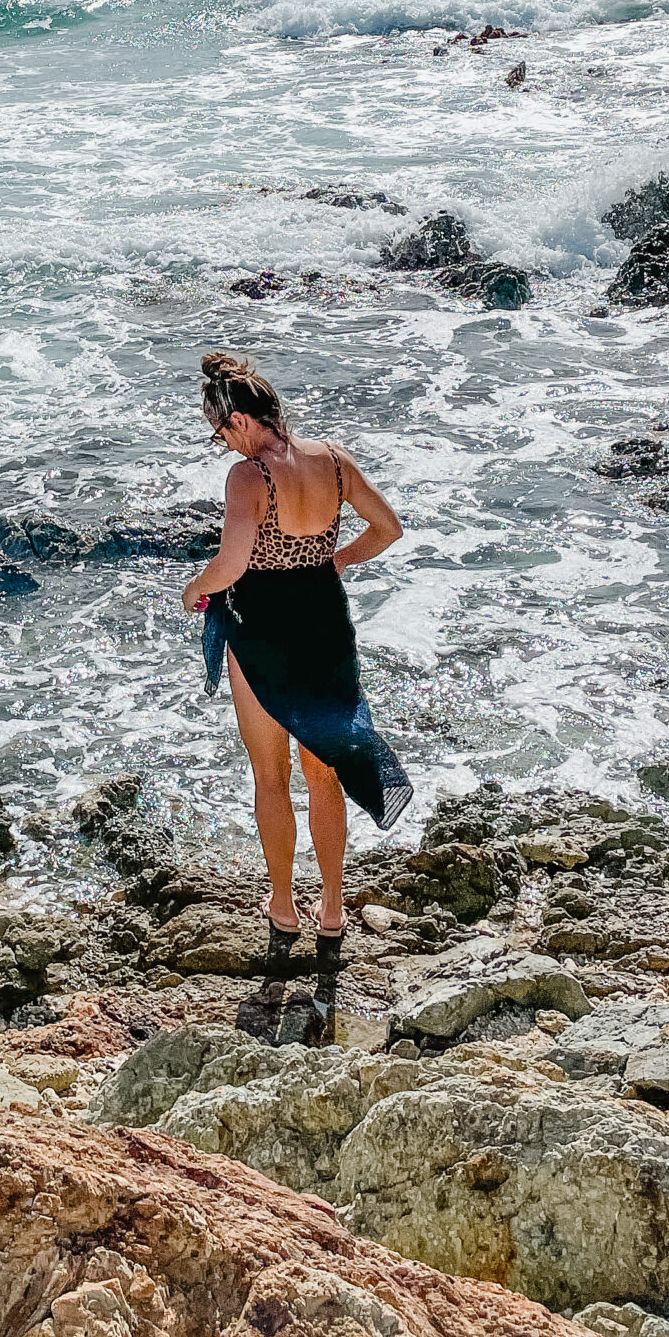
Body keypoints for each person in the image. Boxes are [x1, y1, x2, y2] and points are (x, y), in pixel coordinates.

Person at [181, 349, 411, 984]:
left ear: (243, 421)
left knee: (269, 776)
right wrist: (334, 562)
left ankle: (284, 908)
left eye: (220, 430)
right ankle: (332, 912)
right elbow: (387, 527)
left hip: (263, 630)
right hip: (324, 624)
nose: (221, 442)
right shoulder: (333, 462)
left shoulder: (249, 478)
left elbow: (230, 568)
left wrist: (194, 588)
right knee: (325, 775)